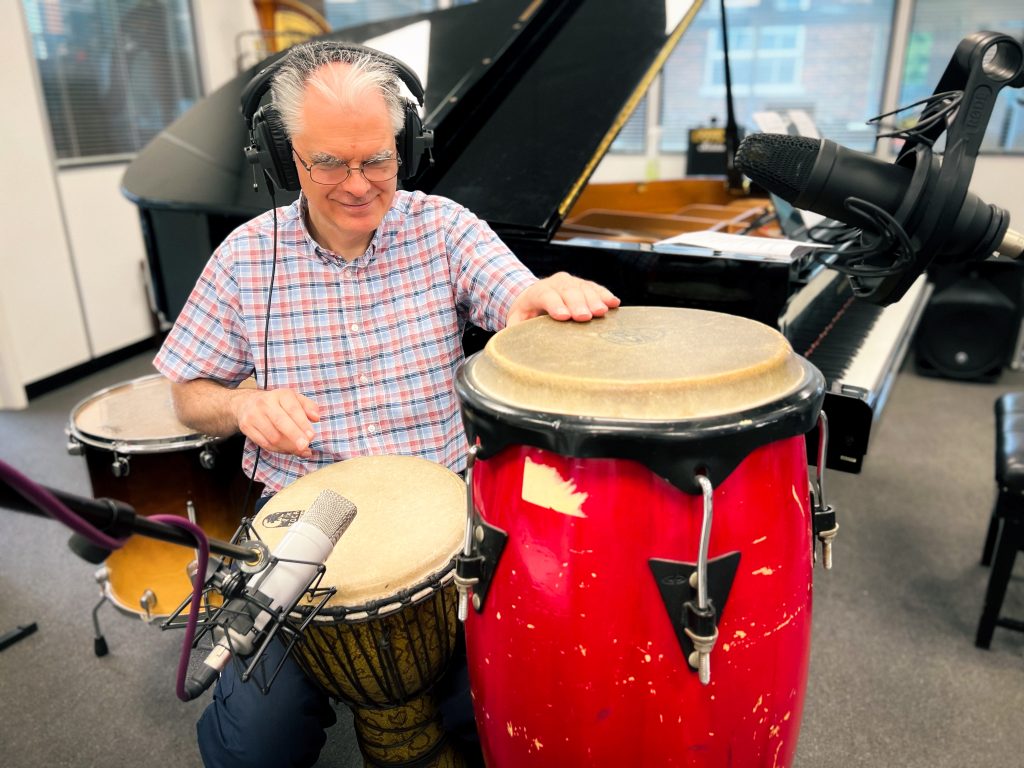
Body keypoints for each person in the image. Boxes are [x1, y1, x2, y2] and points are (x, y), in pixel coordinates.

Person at [152, 41, 619, 768]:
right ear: (282, 158)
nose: (357, 184)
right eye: (327, 163)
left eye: (377, 159)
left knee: (506, 710)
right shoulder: (244, 258)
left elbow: (516, 298)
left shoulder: (443, 228)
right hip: (302, 522)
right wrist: (242, 408)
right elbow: (187, 395)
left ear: (408, 148)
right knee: (255, 746)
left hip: (446, 512)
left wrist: (542, 298)